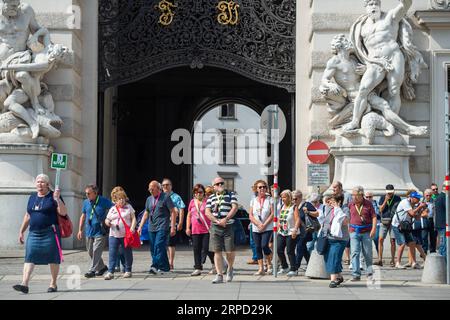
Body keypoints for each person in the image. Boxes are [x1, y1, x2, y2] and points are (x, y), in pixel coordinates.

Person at [345, 0, 424, 131]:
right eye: (370, 4)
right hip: (376, 61)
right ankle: (355, 121)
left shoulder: (390, 17)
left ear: (380, 6)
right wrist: (366, 63)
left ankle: (390, 123)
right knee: (363, 90)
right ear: (366, 7)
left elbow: (405, 6)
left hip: (394, 56)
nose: (373, 7)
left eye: (376, 4)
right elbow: (358, 50)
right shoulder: (361, 26)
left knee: (394, 90)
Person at [13, 174, 68, 294]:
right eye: (38, 182)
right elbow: (28, 215)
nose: (40, 184)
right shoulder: (32, 197)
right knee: (29, 256)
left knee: (53, 258)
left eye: (42, 182)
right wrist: (21, 231)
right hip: (34, 233)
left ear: (48, 184)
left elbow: (63, 213)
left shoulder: (53, 196)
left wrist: (57, 199)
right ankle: (24, 284)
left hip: (50, 232)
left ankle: (53, 284)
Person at [138, 181, 177, 274]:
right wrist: (140, 226)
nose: (150, 191)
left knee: (158, 246)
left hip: (162, 226)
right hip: (151, 227)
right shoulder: (149, 199)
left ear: (158, 188)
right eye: (149, 189)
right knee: (153, 248)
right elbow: (146, 213)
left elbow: (173, 212)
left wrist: (172, 227)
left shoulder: (166, 197)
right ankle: (165, 268)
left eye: (152, 188)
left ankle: (154, 266)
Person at [205, 177, 239, 284]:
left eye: (222, 183)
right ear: (214, 187)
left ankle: (230, 268)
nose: (220, 185)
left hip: (228, 226)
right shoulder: (211, 197)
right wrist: (216, 220)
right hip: (215, 226)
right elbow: (207, 212)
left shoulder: (230, 194)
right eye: (217, 184)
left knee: (230, 250)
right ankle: (219, 274)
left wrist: (226, 219)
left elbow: (234, 207)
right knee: (217, 251)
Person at [78, 184, 113, 278]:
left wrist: (109, 219)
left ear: (95, 193)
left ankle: (92, 270)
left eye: (89, 193)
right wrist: (80, 230)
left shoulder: (103, 201)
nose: (87, 195)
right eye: (86, 193)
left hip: (100, 231)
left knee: (96, 251)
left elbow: (114, 209)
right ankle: (102, 268)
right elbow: (83, 216)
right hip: (89, 231)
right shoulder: (86, 202)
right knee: (90, 252)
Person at [104, 188, 137, 280]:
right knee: (112, 253)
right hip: (113, 235)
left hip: (125, 235)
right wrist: (108, 223)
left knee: (127, 252)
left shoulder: (129, 207)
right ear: (115, 200)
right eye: (119, 199)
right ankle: (110, 272)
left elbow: (133, 218)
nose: (122, 200)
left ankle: (128, 270)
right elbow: (107, 219)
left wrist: (132, 228)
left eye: (123, 198)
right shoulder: (112, 209)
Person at [391, 191, 427, 269]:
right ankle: (397, 263)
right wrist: (420, 207)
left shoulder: (414, 205)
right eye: (417, 198)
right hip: (397, 225)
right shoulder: (405, 202)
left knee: (412, 243)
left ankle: (413, 263)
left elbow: (417, 217)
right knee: (402, 243)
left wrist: (420, 210)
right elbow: (412, 214)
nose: (418, 200)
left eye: (419, 198)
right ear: (412, 198)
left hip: (406, 226)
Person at [348, 186, 377, 281]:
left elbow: (374, 217)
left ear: (361, 195)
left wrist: (373, 229)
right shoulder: (350, 204)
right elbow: (347, 215)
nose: (353, 197)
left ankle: (369, 272)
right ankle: (356, 274)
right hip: (354, 232)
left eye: (355, 195)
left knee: (368, 253)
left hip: (366, 232)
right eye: (353, 195)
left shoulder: (368, 204)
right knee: (355, 253)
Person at [186, 184, 215, 276]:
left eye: (200, 192)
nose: (198, 194)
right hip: (195, 230)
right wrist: (187, 227)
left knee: (207, 248)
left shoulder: (208, 202)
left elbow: (212, 214)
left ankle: (214, 265)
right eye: (196, 192)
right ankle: (198, 268)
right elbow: (189, 215)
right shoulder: (192, 202)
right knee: (196, 249)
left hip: (207, 229)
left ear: (204, 193)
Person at [322, 194, 350, 288]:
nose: (331, 203)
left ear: (339, 202)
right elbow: (325, 221)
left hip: (340, 239)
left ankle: (333, 280)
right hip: (328, 237)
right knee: (328, 258)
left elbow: (346, 222)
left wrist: (338, 209)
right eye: (330, 201)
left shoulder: (344, 209)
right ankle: (339, 276)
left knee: (333, 257)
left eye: (333, 201)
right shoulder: (328, 208)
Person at [249, 180, 274, 276]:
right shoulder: (253, 200)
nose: (262, 188)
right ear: (256, 189)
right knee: (258, 247)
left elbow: (272, 214)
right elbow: (250, 215)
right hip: (256, 227)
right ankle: (261, 268)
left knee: (264, 245)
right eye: (260, 187)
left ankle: (269, 264)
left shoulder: (270, 199)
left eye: (264, 187)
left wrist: (264, 224)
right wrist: (258, 224)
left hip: (267, 227)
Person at [162, 178, 186, 271]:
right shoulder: (160, 196)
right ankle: (164, 262)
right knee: (162, 244)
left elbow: (181, 209)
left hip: (172, 224)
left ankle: (171, 263)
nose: (165, 187)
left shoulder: (176, 197)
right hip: (161, 224)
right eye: (163, 185)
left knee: (170, 244)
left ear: (171, 186)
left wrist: (180, 222)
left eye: (167, 185)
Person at [277, 190, 300, 277]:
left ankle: (293, 269)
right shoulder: (282, 206)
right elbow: (280, 216)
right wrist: (279, 223)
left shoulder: (294, 207)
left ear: (289, 197)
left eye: (285, 197)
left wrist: (295, 229)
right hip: (282, 231)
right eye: (282, 197)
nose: (283, 199)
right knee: (279, 249)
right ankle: (285, 266)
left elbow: (297, 219)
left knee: (290, 251)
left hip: (291, 232)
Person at [293, 190, 318, 272]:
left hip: (306, 230)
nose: (294, 201)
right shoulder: (294, 206)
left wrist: (308, 212)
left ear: (300, 198)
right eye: (292, 199)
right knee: (303, 248)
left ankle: (296, 267)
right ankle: (310, 264)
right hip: (298, 231)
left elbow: (317, 213)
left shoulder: (307, 204)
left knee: (300, 247)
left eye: (295, 199)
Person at [376, 184, 400, 266]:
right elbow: (380, 209)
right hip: (384, 221)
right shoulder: (382, 197)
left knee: (393, 241)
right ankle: (380, 259)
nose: (390, 194)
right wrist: (385, 201)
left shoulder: (397, 198)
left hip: (393, 221)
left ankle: (392, 259)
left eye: (391, 192)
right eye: (388, 193)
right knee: (380, 239)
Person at [331, 181, 352, 264]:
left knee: (345, 238)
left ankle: (347, 257)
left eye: (335, 187)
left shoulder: (347, 195)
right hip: (336, 220)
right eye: (333, 187)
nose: (333, 189)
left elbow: (351, 207)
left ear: (340, 187)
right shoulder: (333, 195)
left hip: (345, 219)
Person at [434, 182, 447, 260]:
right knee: (443, 245)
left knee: (443, 244)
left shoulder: (441, 196)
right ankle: (443, 264)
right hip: (443, 225)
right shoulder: (443, 197)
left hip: (442, 225)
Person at [421, 189, 436, 253]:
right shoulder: (421, 202)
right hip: (424, 219)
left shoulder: (433, 201)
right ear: (424, 195)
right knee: (424, 236)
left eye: (430, 195)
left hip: (431, 219)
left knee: (432, 236)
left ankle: (432, 250)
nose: (428, 197)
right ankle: (424, 251)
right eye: (427, 195)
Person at [247, 184, 259, 265]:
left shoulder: (264, 197)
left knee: (257, 242)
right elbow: (251, 212)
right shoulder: (253, 197)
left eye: (254, 187)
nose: (253, 189)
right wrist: (250, 222)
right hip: (252, 222)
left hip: (259, 222)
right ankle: (255, 257)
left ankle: (258, 258)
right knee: (252, 242)